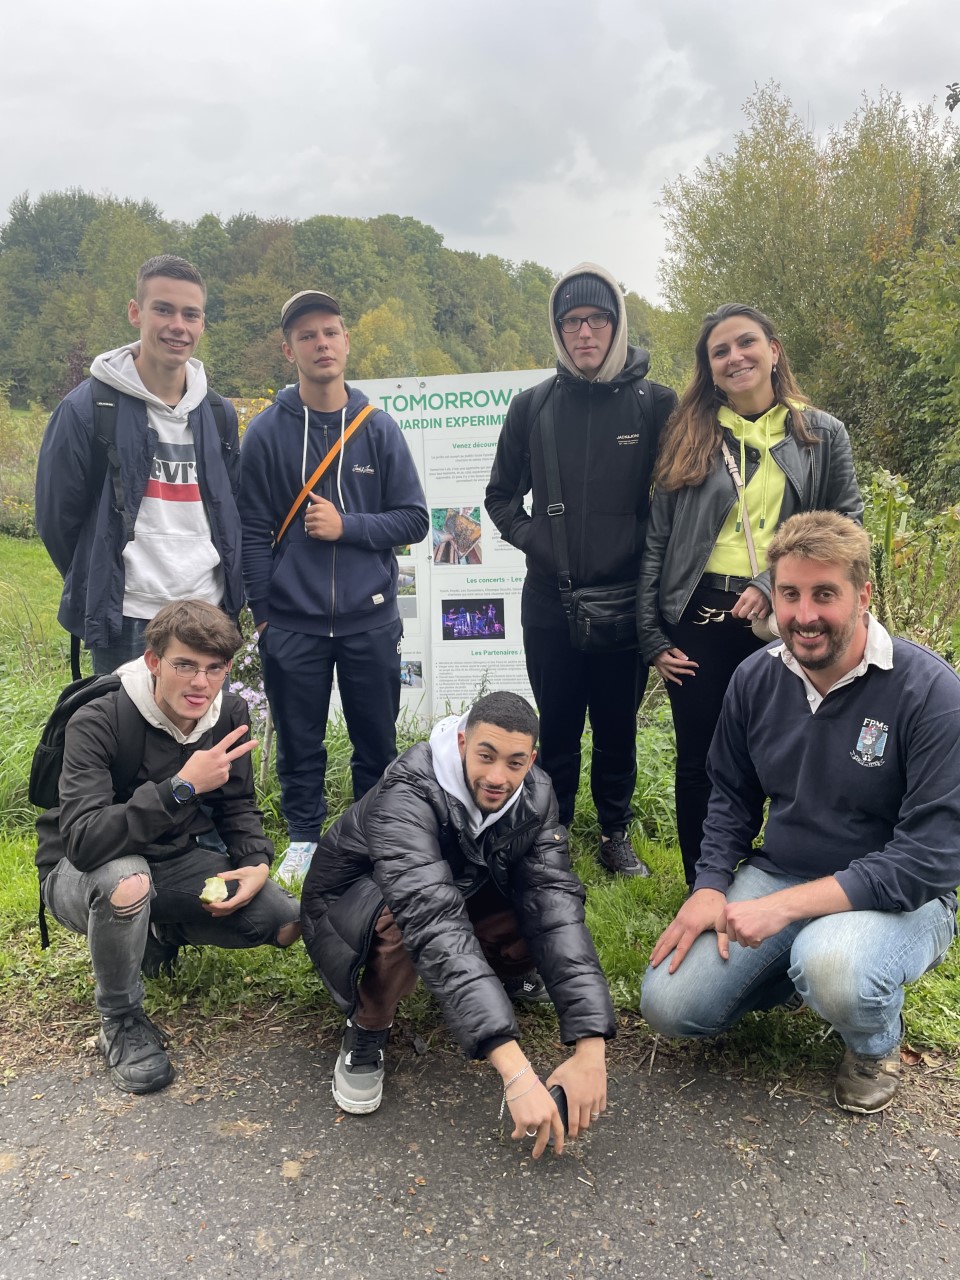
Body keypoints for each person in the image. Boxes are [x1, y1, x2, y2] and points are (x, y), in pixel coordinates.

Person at [641, 513, 960, 1114]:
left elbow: (930, 858)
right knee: (669, 1006)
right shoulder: (755, 678)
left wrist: (782, 908)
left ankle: (872, 1042)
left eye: (824, 595)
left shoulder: (931, 693)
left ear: (862, 596)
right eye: (789, 594)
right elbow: (729, 794)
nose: (804, 615)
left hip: (902, 897)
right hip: (783, 871)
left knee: (833, 965)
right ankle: (799, 969)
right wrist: (710, 885)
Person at [299, 691, 614, 1156]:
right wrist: (516, 1071)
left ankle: (505, 978)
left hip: (455, 889)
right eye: (486, 755)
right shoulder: (408, 791)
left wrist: (591, 1048)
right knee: (407, 922)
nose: (497, 777)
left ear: (532, 759)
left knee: (545, 900)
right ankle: (368, 1025)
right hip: (354, 906)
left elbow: (556, 909)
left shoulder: (537, 793)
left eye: (514, 762)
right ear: (464, 741)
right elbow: (431, 919)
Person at [36, 599, 301, 1095]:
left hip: (173, 862)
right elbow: (84, 840)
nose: (200, 683)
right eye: (184, 665)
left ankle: (154, 935)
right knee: (126, 878)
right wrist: (180, 787)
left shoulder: (229, 713)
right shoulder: (99, 716)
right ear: (155, 661)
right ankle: (120, 1019)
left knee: (280, 920)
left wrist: (255, 862)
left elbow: (237, 805)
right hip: (80, 872)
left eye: (214, 668)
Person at [637, 303, 862, 887]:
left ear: (773, 350)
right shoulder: (688, 434)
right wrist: (651, 634)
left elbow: (847, 529)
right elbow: (657, 540)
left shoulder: (820, 434)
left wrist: (770, 584)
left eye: (746, 343)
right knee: (700, 762)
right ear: (709, 369)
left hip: (789, 615)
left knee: (792, 754)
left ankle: (792, 879)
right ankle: (702, 885)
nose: (735, 357)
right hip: (698, 616)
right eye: (720, 351)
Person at [486, 263, 677, 877]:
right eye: (571, 322)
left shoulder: (657, 405)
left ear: (617, 324)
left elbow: (674, 501)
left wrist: (641, 555)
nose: (584, 333)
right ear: (558, 330)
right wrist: (536, 540)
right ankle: (555, 831)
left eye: (597, 319)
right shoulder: (532, 406)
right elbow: (500, 496)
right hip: (550, 600)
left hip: (625, 602)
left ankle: (616, 835)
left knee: (618, 727)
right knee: (559, 725)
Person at [239, 290, 429, 885]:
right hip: (292, 621)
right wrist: (266, 613)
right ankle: (301, 839)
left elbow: (415, 520)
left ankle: (372, 836)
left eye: (331, 332)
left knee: (376, 740)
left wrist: (348, 527)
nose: (321, 343)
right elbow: (249, 530)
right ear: (289, 349)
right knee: (300, 742)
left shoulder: (378, 430)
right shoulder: (267, 432)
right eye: (307, 335)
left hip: (370, 618)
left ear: (346, 341)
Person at [35, 255, 242, 675]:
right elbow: (57, 520)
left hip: (207, 610)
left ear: (202, 323)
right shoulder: (87, 409)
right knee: (123, 739)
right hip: (126, 617)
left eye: (191, 314)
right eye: (163, 309)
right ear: (136, 312)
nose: (177, 325)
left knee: (202, 739)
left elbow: (230, 511)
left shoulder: (218, 414)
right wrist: (103, 580)